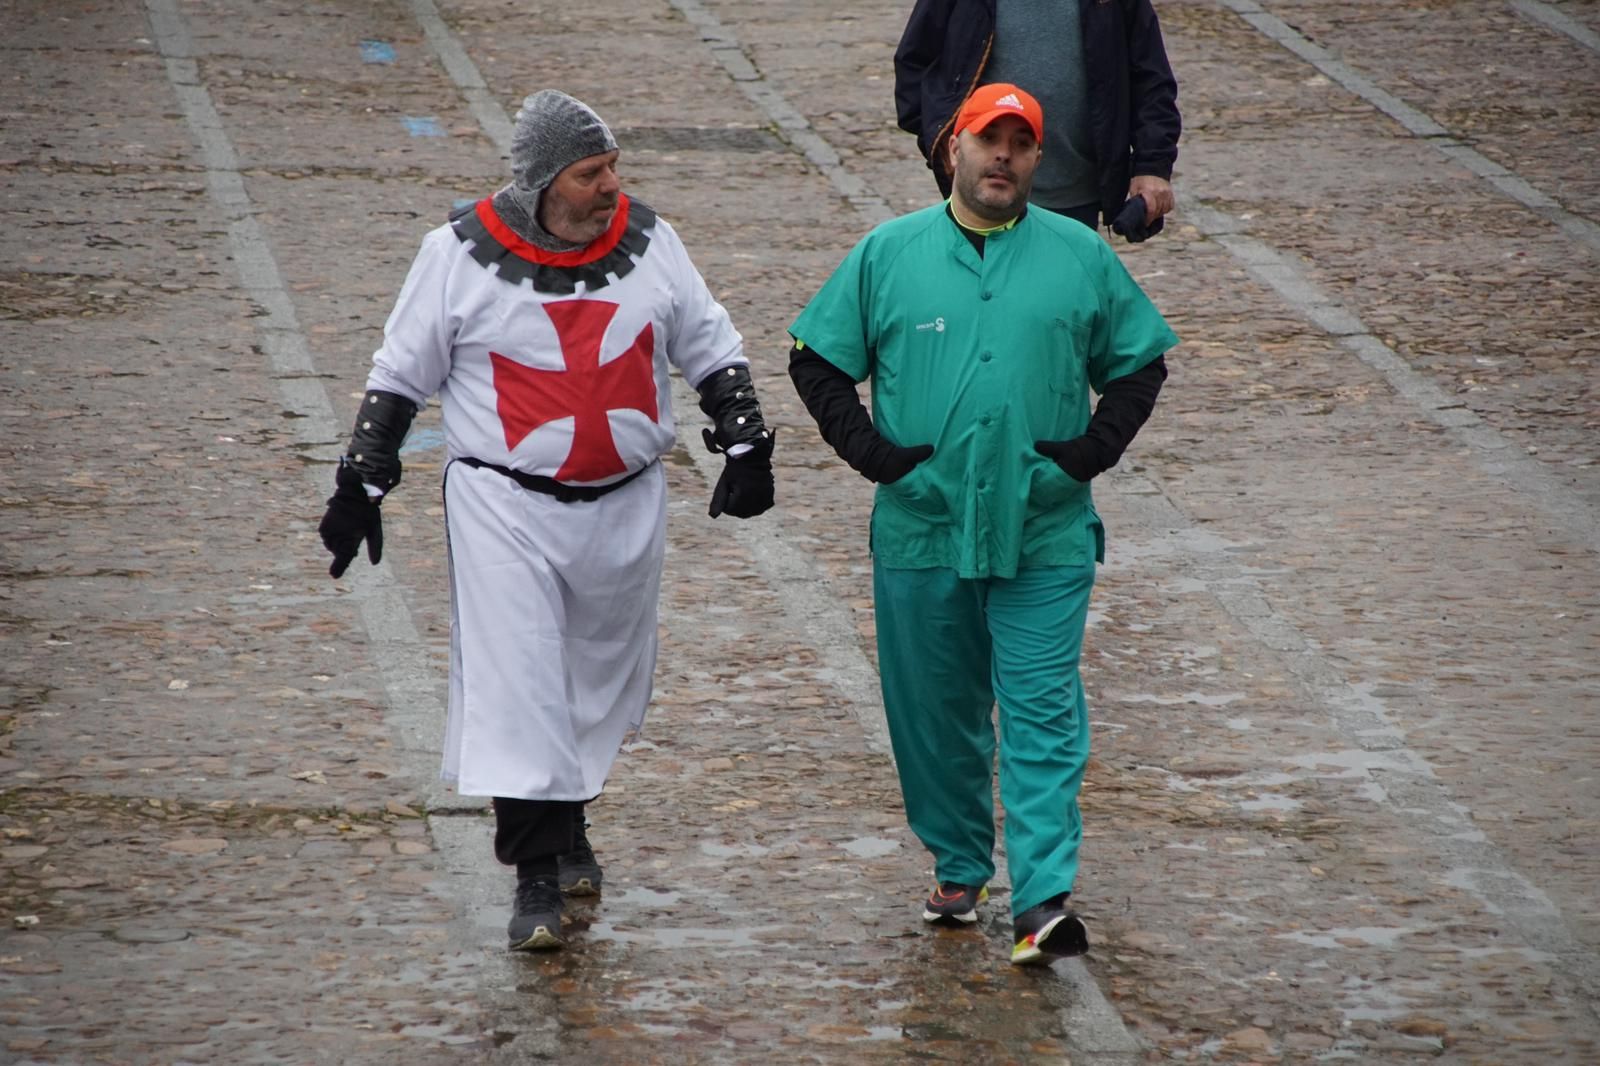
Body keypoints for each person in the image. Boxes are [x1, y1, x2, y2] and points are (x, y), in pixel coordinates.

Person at [316, 89, 776, 952]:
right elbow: (401, 373)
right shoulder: (455, 258)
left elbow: (709, 343)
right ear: (541, 183)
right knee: (520, 680)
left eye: (612, 167)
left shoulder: (652, 243)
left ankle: (569, 825)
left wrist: (746, 443)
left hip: (625, 506)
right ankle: (535, 875)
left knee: (593, 683)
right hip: (504, 505)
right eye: (590, 172)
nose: (611, 186)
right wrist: (359, 485)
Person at [787, 84, 1176, 964]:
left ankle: (1042, 900)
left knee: (1043, 711)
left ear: (1038, 159)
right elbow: (814, 361)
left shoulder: (1079, 254)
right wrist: (876, 457)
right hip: (922, 529)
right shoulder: (888, 253)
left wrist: (1087, 455)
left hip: (1045, 530)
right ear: (952, 149)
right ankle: (960, 866)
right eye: (987, 139)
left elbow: (1140, 363)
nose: (1003, 155)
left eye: (1020, 143)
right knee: (933, 713)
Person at [894, 0, 1180, 239]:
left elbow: (1151, 78)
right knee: (979, 286)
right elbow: (913, 65)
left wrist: (1152, 166)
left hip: (1073, 195)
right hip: (981, 195)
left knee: (1062, 289)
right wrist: (941, 144)